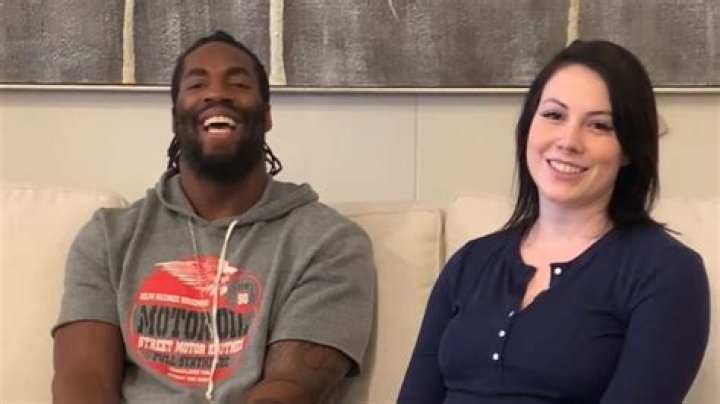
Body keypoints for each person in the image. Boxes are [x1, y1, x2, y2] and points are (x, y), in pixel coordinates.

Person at [52, 30, 376, 404]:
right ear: (175, 116)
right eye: (197, 84)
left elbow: (292, 389)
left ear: (267, 115)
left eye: (238, 84)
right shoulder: (109, 238)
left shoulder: (328, 242)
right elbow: (82, 379)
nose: (217, 94)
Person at [398, 40, 710, 403]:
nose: (568, 141)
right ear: (528, 127)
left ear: (628, 149)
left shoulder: (666, 272)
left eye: (599, 125)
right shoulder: (470, 263)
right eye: (554, 115)